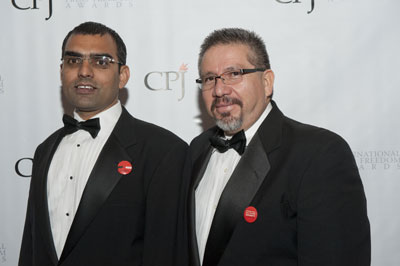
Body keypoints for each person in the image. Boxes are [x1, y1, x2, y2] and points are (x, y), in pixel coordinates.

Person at [187, 28, 371, 266]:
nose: (220, 90)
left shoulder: (319, 154)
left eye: (234, 74)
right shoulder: (197, 149)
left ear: (266, 82)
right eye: (210, 78)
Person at [18, 21, 187, 266]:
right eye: (73, 61)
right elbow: (31, 249)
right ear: (61, 71)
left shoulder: (163, 152)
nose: (84, 71)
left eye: (101, 62)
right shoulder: (45, 150)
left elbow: (166, 254)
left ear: (123, 76)